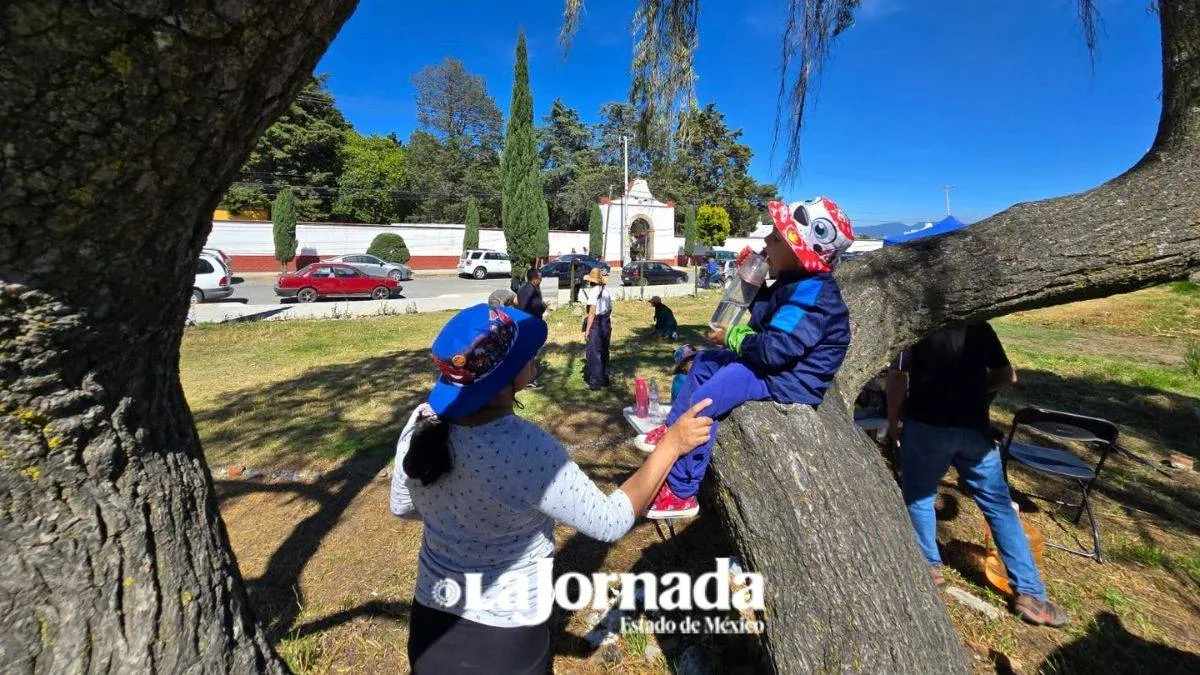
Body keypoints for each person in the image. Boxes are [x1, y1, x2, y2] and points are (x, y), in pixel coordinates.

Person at [392, 303, 715, 673]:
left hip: (430, 626)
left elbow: (402, 505)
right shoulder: (525, 448)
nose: (535, 355)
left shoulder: (421, 421)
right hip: (506, 643)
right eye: (524, 353)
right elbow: (609, 521)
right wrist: (671, 445)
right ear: (506, 378)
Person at [635, 197, 855, 518]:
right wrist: (754, 284)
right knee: (705, 362)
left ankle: (682, 489)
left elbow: (773, 350)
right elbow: (770, 317)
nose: (766, 241)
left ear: (799, 253)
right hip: (773, 366)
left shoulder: (813, 296)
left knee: (709, 398)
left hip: (787, 379)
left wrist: (732, 336)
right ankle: (672, 429)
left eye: (776, 238)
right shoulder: (795, 282)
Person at [886, 324, 1069, 628]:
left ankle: (930, 566)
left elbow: (897, 377)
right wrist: (970, 393)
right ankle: (1030, 594)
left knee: (919, 496)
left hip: (926, 425)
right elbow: (1007, 375)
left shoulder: (920, 324)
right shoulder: (980, 327)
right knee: (999, 507)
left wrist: (893, 419)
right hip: (975, 430)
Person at [581, 268, 612, 391]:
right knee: (604, 351)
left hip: (596, 323)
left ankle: (595, 383)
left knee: (593, 353)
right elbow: (610, 309)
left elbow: (592, 312)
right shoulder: (607, 291)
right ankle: (604, 378)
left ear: (591, 281)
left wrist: (588, 329)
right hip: (606, 322)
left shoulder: (593, 292)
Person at [516, 268, 547, 390]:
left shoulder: (524, 287)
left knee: (528, 354)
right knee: (529, 355)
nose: (541, 280)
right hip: (529, 326)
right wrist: (543, 306)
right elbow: (527, 307)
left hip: (527, 324)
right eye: (540, 278)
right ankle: (529, 380)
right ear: (534, 279)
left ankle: (526, 378)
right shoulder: (530, 290)